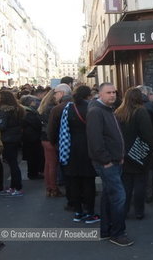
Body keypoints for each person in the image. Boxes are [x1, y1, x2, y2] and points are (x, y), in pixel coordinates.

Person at [87, 83, 133, 246]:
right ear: (100, 94)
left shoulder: (107, 109)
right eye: (108, 92)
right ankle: (118, 233)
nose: (112, 95)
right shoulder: (96, 112)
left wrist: (119, 156)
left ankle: (106, 231)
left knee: (109, 195)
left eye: (114, 92)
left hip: (114, 161)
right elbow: (95, 141)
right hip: (107, 163)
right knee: (119, 197)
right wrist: (105, 161)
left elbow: (113, 136)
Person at [116, 88, 153, 220]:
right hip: (139, 153)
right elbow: (148, 133)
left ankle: (124, 209)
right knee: (140, 183)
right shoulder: (141, 112)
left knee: (126, 184)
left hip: (123, 152)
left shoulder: (118, 112)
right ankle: (139, 211)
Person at [59, 86, 99, 223]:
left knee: (74, 182)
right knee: (88, 182)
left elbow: (64, 129)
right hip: (88, 147)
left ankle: (78, 212)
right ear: (88, 96)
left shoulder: (68, 108)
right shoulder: (91, 108)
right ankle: (90, 213)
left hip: (71, 147)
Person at [38, 90, 64, 197]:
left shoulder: (44, 106)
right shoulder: (52, 108)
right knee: (52, 164)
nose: (61, 95)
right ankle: (53, 188)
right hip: (50, 138)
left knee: (48, 164)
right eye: (59, 93)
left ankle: (49, 187)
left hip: (44, 138)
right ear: (54, 95)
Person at [0, 90, 25, 197]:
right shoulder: (18, 109)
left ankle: (16, 187)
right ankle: (15, 186)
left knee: (12, 163)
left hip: (7, 139)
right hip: (15, 138)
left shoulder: (4, 111)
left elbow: (2, 126)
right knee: (13, 163)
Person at [20, 95, 44, 180]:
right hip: (31, 137)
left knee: (32, 156)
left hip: (29, 137)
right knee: (33, 157)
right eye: (34, 101)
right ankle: (33, 174)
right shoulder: (28, 112)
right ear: (30, 103)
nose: (35, 103)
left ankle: (33, 172)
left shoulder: (26, 111)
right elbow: (36, 124)